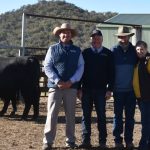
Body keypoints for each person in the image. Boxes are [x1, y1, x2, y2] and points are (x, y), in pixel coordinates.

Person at [42, 23, 84, 150]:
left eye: (69, 32)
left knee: (70, 115)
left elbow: (81, 67)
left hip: (71, 88)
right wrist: (57, 80)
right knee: (52, 114)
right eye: (64, 32)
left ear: (71, 35)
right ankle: (48, 141)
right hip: (55, 87)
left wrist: (71, 81)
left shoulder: (77, 50)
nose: (66, 34)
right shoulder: (52, 49)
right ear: (59, 34)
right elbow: (47, 67)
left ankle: (70, 141)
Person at [78, 29, 115, 148]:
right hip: (86, 90)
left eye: (98, 37)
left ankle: (102, 141)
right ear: (90, 39)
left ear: (102, 39)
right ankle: (86, 140)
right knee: (86, 115)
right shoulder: (85, 53)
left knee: (101, 116)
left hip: (101, 90)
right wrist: (79, 88)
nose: (96, 39)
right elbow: (80, 72)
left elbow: (112, 73)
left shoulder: (108, 53)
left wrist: (110, 89)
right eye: (93, 37)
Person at [111, 26, 138, 149]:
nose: (123, 38)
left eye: (125, 36)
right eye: (120, 36)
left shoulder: (135, 51)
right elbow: (109, 71)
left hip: (131, 91)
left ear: (129, 37)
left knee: (130, 117)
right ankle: (117, 140)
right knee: (117, 116)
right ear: (118, 37)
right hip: (117, 90)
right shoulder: (113, 51)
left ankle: (129, 140)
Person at [133, 41, 150, 150]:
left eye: (142, 49)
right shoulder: (139, 61)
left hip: (147, 98)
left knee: (146, 123)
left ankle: (144, 145)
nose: (140, 51)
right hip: (141, 98)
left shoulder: (148, 61)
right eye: (138, 50)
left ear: (146, 49)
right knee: (146, 122)